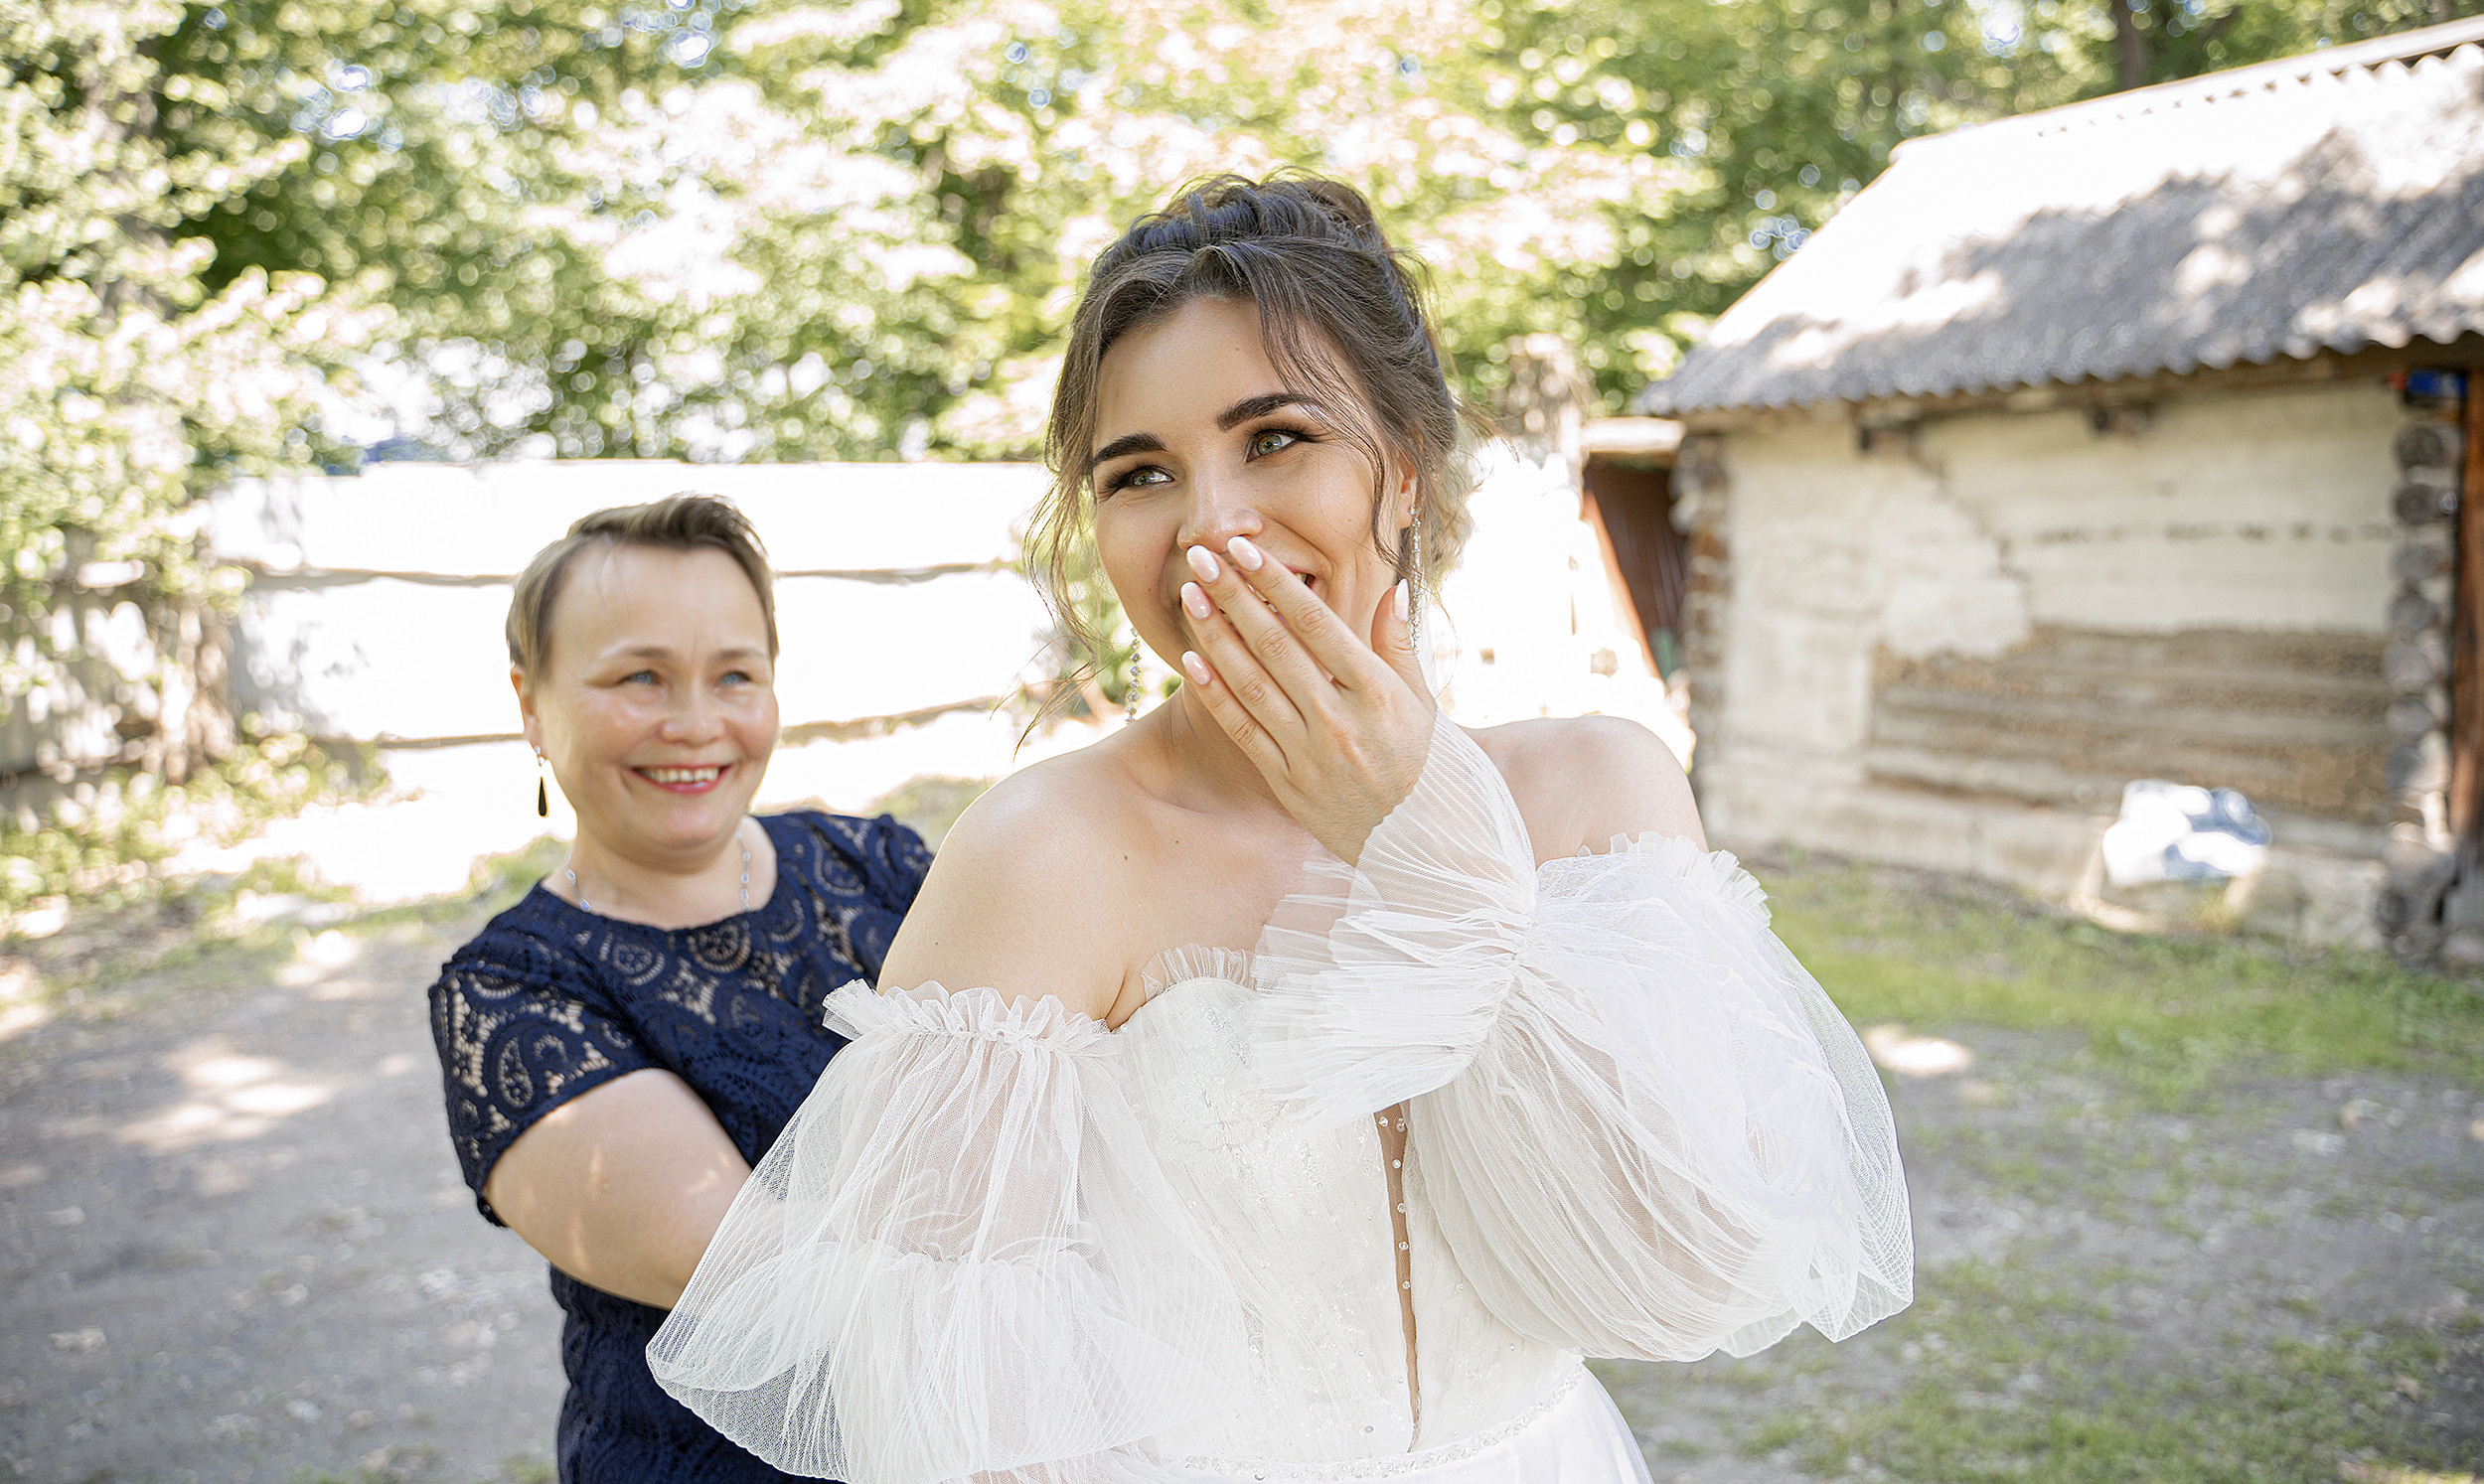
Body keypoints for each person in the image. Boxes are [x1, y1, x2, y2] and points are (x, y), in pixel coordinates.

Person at [647, 177, 1912, 1482]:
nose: (1212, 528)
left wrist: (1440, 855)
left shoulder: (1599, 787)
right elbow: (948, 1417)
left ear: (1404, 470)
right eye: (1141, 474)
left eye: (1275, 438)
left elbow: (1675, 1279)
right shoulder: (1043, 854)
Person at [425, 495, 932, 1483]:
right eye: (639, 677)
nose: (697, 725)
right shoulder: (513, 997)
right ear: (530, 704)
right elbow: (777, 1292)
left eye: (734, 675)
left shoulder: (878, 865)